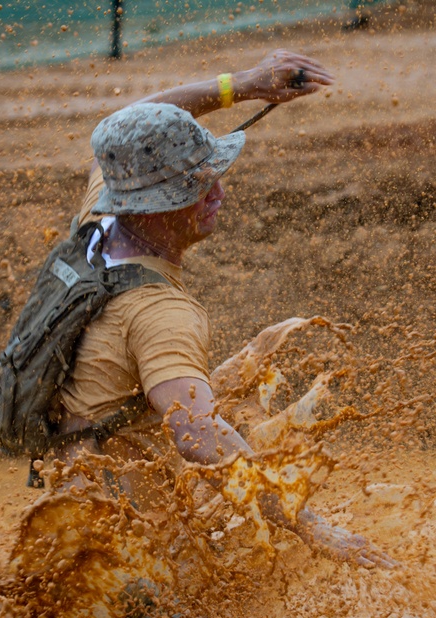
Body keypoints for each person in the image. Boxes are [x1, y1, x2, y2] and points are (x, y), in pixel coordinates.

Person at [49, 49, 396, 570]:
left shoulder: (102, 214)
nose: (219, 190)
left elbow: (120, 129)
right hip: (120, 552)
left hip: (68, 506)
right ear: (158, 203)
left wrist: (245, 85)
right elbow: (197, 433)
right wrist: (316, 528)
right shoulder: (160, 313)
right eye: (197, 182)